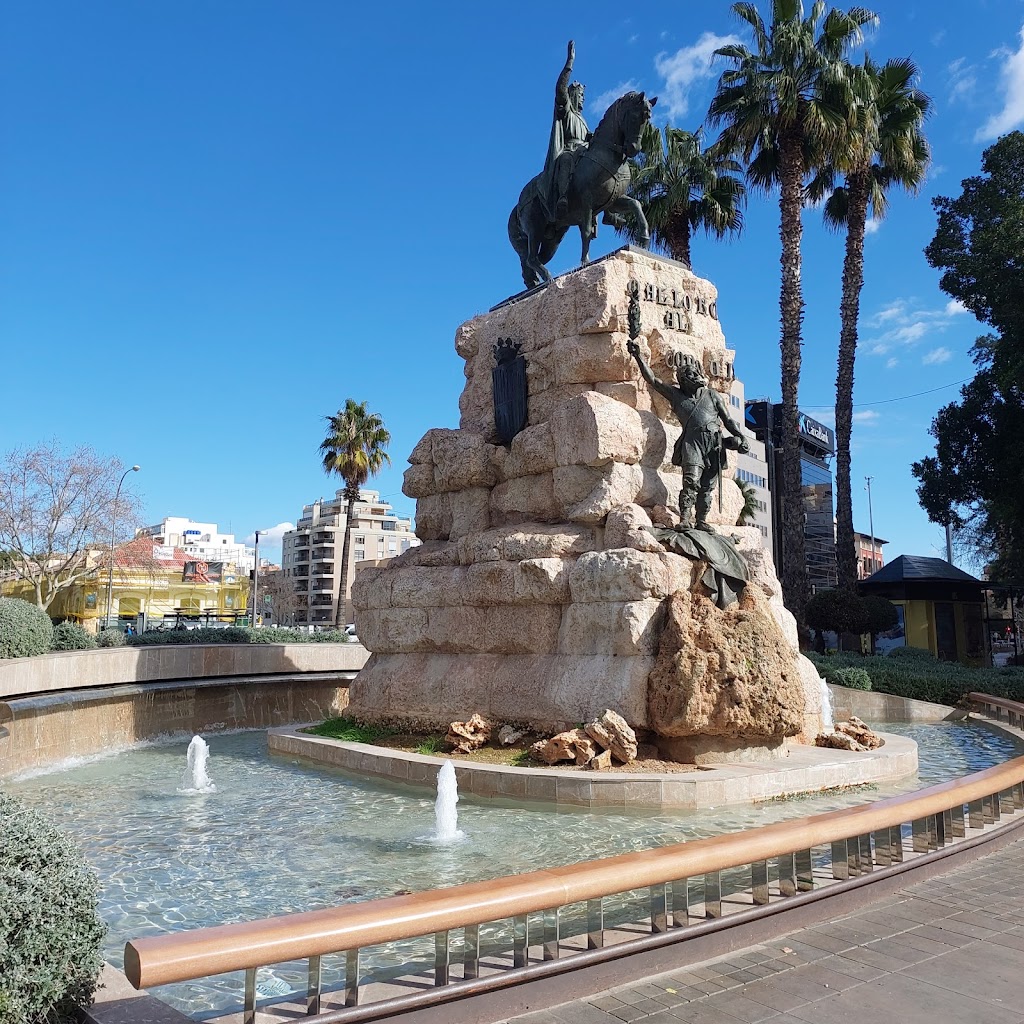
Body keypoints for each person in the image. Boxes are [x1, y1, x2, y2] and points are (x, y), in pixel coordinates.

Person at [626, 342, 749, 531]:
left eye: (697, 373)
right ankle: (684, 519)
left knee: (707, 486)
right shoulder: (676, 395)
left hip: (714, 444)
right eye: (691, 374)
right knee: (690, 480)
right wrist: (637, 356)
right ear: (683, 379)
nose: (697, 376)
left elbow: (728, 420)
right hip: (692, 444)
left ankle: (701, 520)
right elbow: (652, 380)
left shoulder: (712, 395)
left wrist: (741, 437)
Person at [541, 40, 591, 221]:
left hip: (584, 153)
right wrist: (569, 63)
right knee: (566, 159)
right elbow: (560, 90)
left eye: (584, 96)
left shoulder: (583, 121)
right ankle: (562, 196)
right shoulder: (566, 110)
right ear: (573, 95)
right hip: (569, 151)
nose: (583, 99)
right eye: (580, 95)